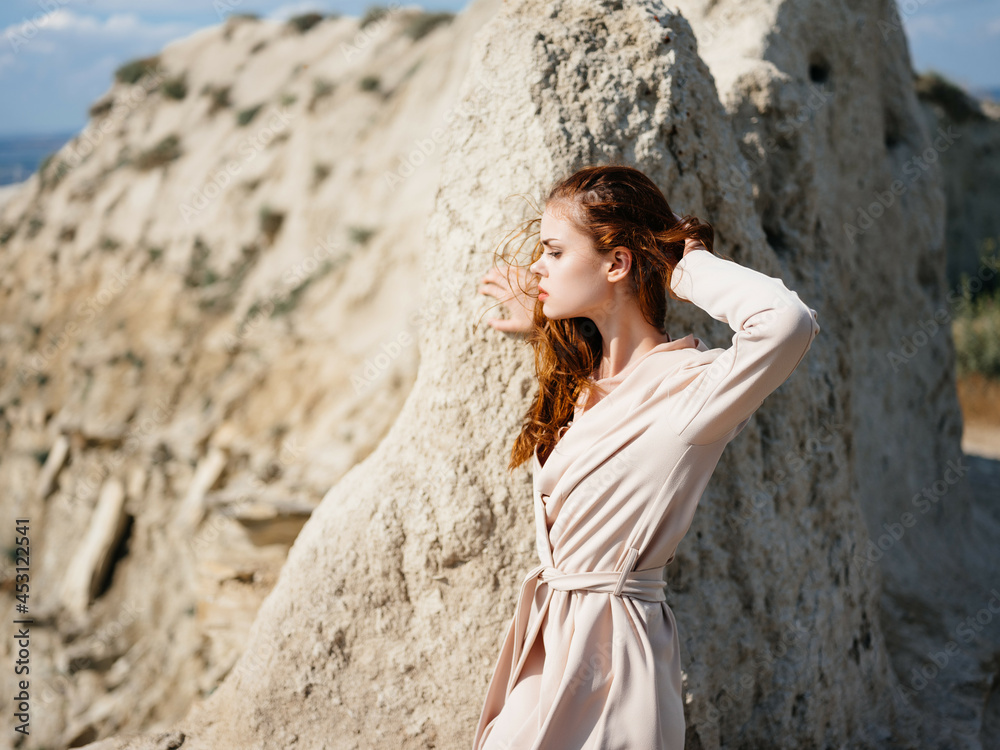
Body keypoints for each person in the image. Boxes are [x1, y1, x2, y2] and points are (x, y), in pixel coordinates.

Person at [473, 164, 820, 749]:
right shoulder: (581, 385)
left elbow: (787, 323)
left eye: (554, 252)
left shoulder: (691, 390)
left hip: (614, 663)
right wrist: (539, 317)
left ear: (617, 263)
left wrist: (686, 265)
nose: (537, 267)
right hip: (545, 643)